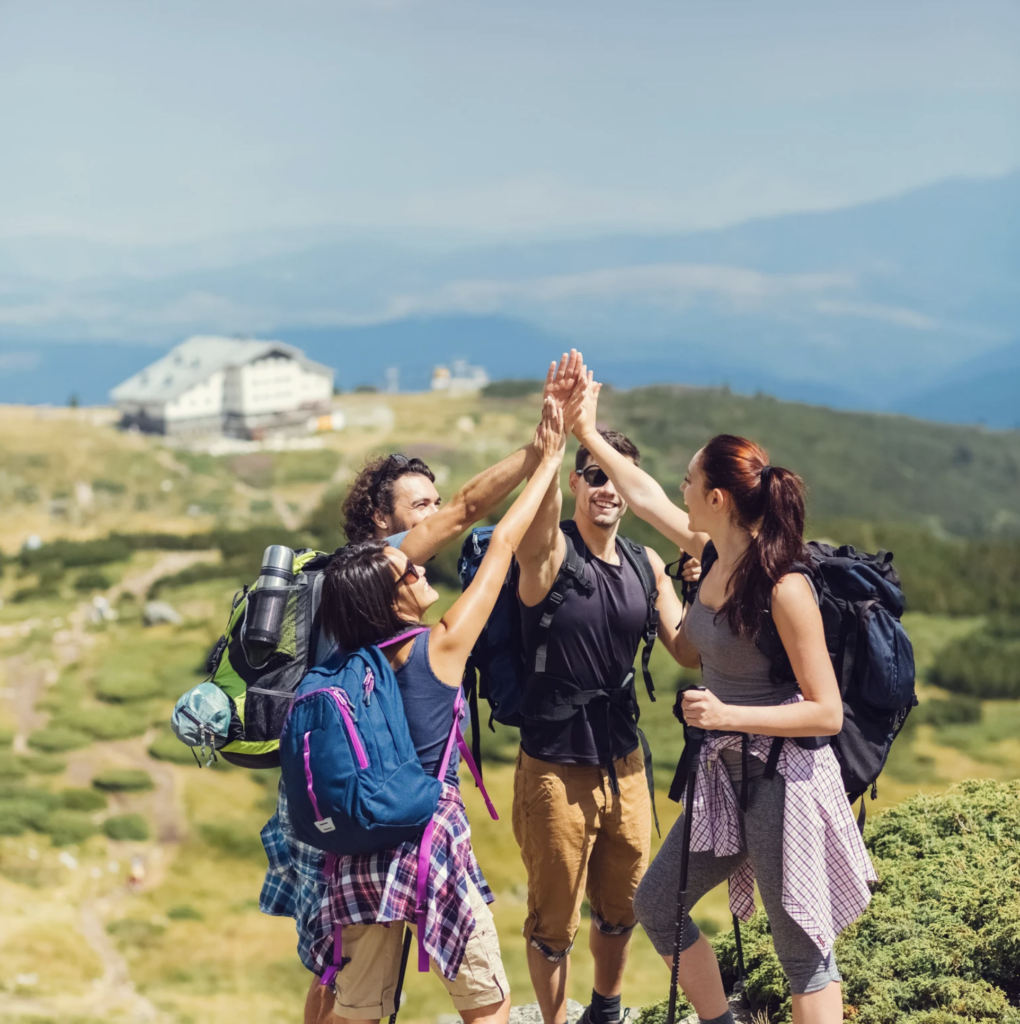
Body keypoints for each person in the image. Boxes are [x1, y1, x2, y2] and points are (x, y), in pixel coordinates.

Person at [261, 354, 585, 1024]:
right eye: (405, 559)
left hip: (352, 838)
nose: (419, 555)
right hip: (424, 837)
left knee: (350, 998)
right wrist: (548, 456)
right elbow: (494, 546)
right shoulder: (434, 645)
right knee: (485, 1003)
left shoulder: (342, 617)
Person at [569, 377, 876, 1024]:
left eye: (688, 481)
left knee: (802, 954)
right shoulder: (711, 556)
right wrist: (587, 431)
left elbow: (826, 711)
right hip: (723, 775)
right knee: (657, 903)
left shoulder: (783, 585)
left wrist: (727, 715)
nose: (678, 489)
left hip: (781, 780)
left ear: (715, 497)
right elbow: (645, 499)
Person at [512, 410, 699, 1024]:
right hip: (554, 765)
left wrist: (703, 588)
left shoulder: (647, 566)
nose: (606, 488)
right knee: (554, 919)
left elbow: (689, 650)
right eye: (592, 475)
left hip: (626, 761)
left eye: (617, 477)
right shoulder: (552, 554)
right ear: (574, 484)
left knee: (624, 904)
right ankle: (556, 1019)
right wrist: (552, 446)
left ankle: (607, 1009)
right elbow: (533, 531)